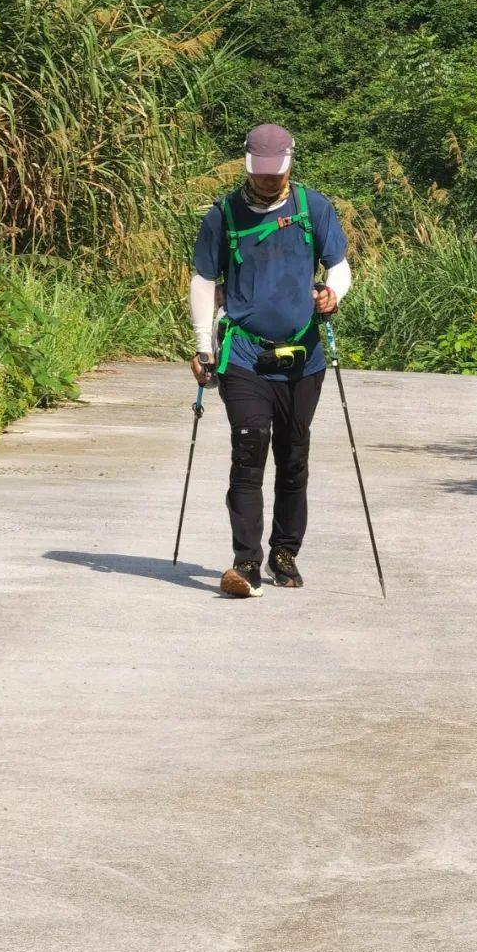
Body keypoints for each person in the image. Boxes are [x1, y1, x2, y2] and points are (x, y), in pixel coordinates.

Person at [189, 124, 352, 597]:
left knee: (293, 455)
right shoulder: (223, 215)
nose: (267, 181)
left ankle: (285, 553)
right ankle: (245, 561)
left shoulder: (312, 208)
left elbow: (337, 266)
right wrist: (204, 346)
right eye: (259, 174)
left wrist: (332, 294)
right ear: (247, 165)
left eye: (275, 173)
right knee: (249, 449)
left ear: (290, 162)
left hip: (305, 357)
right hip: (243, 355)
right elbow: (203, 281)